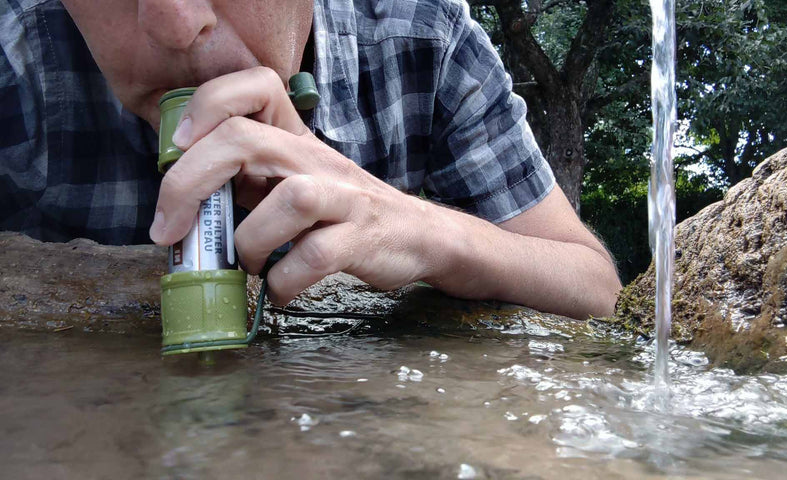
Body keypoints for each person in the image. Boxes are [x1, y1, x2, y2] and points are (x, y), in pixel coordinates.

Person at [0, 0, 621, 319]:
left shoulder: (422, 37)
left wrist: (425, 231)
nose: (176, 24)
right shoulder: (15, 53)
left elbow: (596, 288)